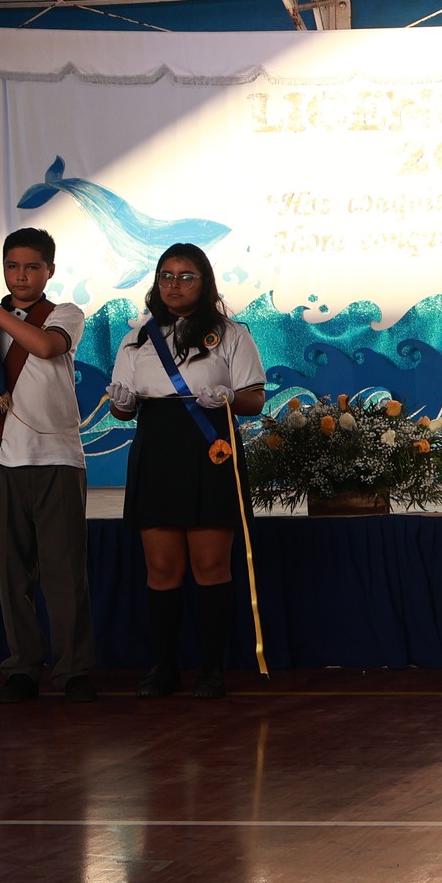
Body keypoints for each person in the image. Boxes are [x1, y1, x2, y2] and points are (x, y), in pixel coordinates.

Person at [108, 244, 266, 699]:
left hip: (210, 446)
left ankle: (212, 668)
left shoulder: (231, 333)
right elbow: (125, 409)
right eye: (166, 275)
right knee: (161, 567)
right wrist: (120, 405)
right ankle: (165, 667)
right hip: (156, 448)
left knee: (210, 564)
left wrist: (227, 399)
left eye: (186, 276)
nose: (174, 285)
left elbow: (254, 399)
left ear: (205, 281)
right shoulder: (136, 336)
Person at [0, 227, 96, 704]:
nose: (21, 276)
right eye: (13, 267)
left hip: (57, 457)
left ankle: (74, 668)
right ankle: (22, 665)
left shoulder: (64, 313)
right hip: (3, 458)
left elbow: (44, 347)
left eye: (32, 267)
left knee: (64, 572)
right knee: (11, 573)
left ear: (50, 271)